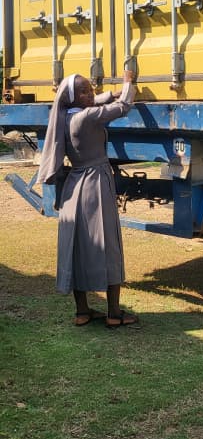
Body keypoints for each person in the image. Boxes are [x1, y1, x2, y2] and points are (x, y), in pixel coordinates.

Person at [37, 70, 139, 328]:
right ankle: (114, 313)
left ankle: (82, 311)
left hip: (74, 186)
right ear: (72, 97)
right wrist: (128, 83)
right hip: (96, 183)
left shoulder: (64, 116)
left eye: (90, 89)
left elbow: (94, 103)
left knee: (76, 246)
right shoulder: (88, 117)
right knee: (109, 243)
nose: (90, 93)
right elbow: (123, 107)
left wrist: (106, 94)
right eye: (84, 91)